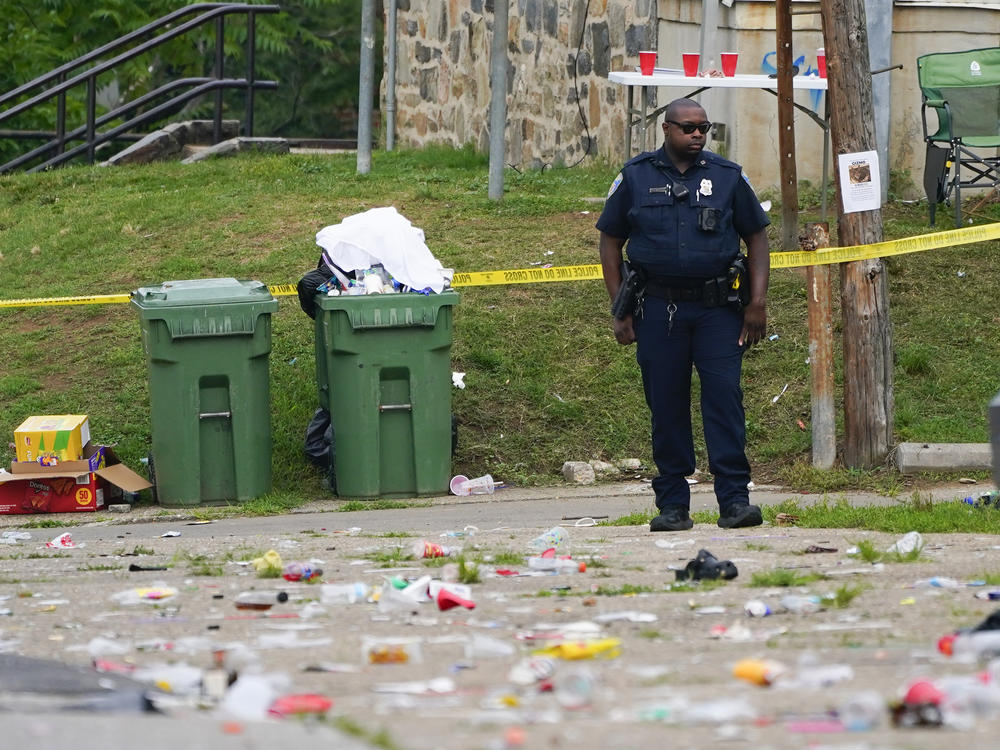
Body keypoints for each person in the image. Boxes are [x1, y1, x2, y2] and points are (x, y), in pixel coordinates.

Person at [596, 98, 770, 532]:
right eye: (688, 128)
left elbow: (758, 238)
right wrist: (620, 308)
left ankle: (734, 501)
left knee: (724, 401)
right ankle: (673, 505)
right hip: (658, 310)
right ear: (666, 130)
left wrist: (757, 303)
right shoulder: (635, 177)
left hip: (719, 311)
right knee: (667, 406)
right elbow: (610, 242)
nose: (697, 135)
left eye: (704, 128)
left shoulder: (727, 177)